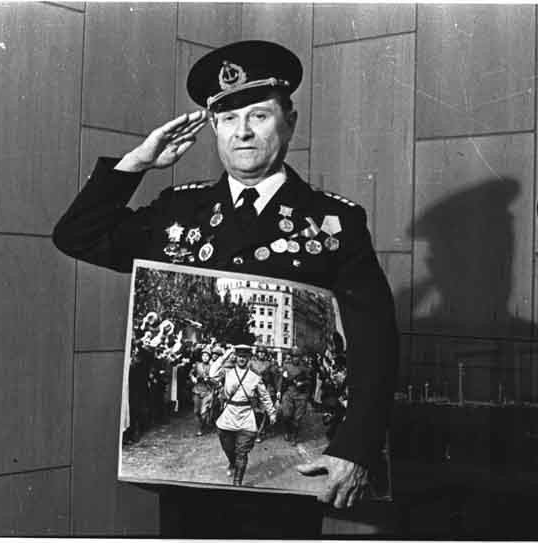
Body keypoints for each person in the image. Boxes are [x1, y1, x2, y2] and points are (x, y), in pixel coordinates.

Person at [53, 39, 398, 511]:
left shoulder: (335, 221)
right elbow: (76, 236)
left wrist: (357, 448)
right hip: (188, 493)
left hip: (290, 490)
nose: (243, 132)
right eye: (229, 119)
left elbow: (375, 341)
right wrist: (137, 163)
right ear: (214, 127)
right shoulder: (178, 209)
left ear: (290, 121)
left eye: (259, 115)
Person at [209, 344, 277, 486]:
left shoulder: (255, 377)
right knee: (228, 447)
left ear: (249, 358)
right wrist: (226, 354)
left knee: (242, 452)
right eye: (239, 356)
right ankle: (232, 462)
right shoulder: (227, 372)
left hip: (246, 416)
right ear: (235, 357)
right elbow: (212, 373)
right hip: (229, 414)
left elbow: (264, 396)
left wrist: (271, 413)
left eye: (244, 357)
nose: (241, 359)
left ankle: (237, 483)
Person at [280, 352, 312, 445]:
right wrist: (279, 391)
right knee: (286, 415)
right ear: (291, 357)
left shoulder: (304, 368)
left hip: (301, 395)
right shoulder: (286, 366)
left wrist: (302, 383)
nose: (295, 359)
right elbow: (281, 380)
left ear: (300, 358)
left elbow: (310, 381)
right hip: (289, 393)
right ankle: (287, 431)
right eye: (294, 357)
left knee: (297, 418)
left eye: (297, 357)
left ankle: (294, 436)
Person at [190, 348, 215, 436]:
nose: (205, 357)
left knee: (203, 412)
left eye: (207, 356)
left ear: (209, 357)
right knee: (196, 411)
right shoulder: (197, 365)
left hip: (207, 391)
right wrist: (193, 378)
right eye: (203, 355)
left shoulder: (212, 367)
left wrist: (209, 380)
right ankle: (201, 425)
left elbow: (214, 379)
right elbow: (191, 373)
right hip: (197, 389)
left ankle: (201, 427)